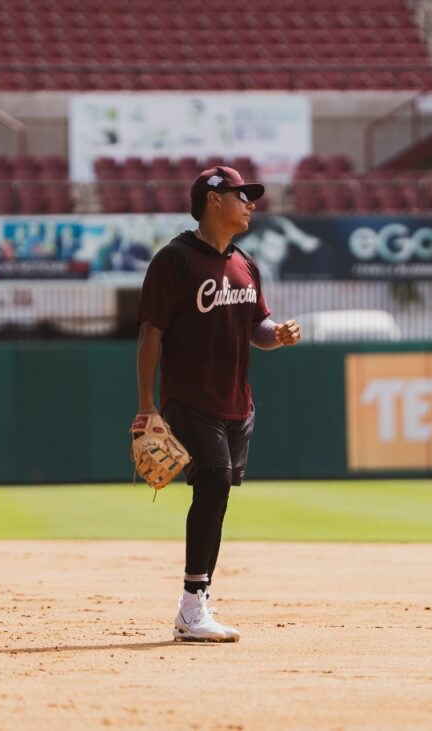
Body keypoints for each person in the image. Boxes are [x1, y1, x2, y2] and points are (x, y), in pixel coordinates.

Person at [135, 166, 302, 642]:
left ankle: (196, 603)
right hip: (189, 398)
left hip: (237, 404)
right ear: (212, 199)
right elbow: (151, 334)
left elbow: (258, 329)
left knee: (218, 492)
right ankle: (191, 608)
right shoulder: (175, 260)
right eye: (240, 194)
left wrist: (279, 335)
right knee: (213, 483)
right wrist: (148, 405)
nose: (250, 202)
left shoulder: (245, 263)